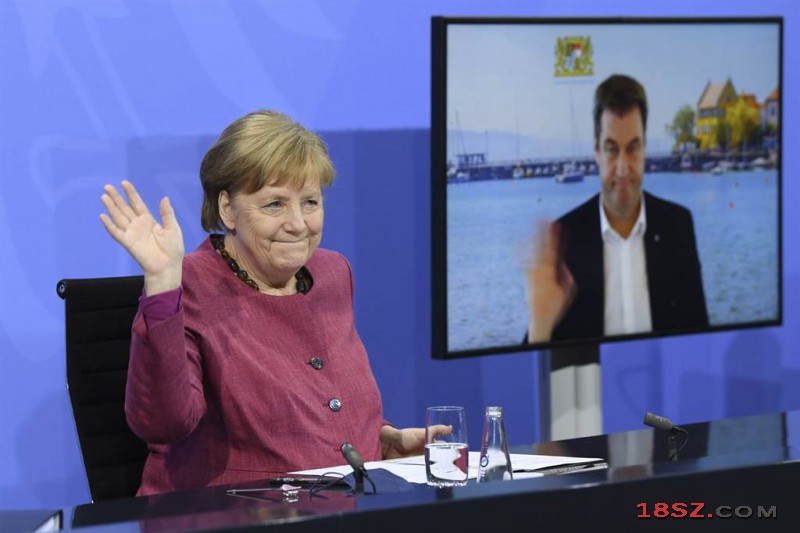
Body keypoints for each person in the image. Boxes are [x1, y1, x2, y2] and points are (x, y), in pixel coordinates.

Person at [100, 110, 426, 496]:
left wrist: (378, 439)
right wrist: (161, 285)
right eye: (275, 204)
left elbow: (318, 401)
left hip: (341, 506)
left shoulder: (333, 273)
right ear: (227, 209)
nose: (298, 224)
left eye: (310, 202)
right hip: (225, 512)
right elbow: (164, 424)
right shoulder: (189, 285)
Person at [527, 74, 708, 343]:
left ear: (645, 148)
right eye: (612, 150)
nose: (623, 169)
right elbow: (531, 360)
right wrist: (540, 323)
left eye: (633, 148)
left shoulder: (678, 226)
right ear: (596, 151)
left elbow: (700, 339)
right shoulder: (564, 239)